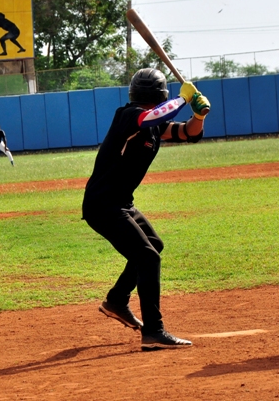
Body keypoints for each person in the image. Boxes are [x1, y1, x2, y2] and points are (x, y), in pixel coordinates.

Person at [82, 68, 211, 350]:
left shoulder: (154, 124)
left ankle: (116, 300)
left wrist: (198, 116)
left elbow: (188, 133)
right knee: (147, 258)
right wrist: (183, 99)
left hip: (120, 202)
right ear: (162, 95)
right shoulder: (130, 116)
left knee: (153, 245)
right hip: (103, 203)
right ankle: (154, 331)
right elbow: (155, 115)